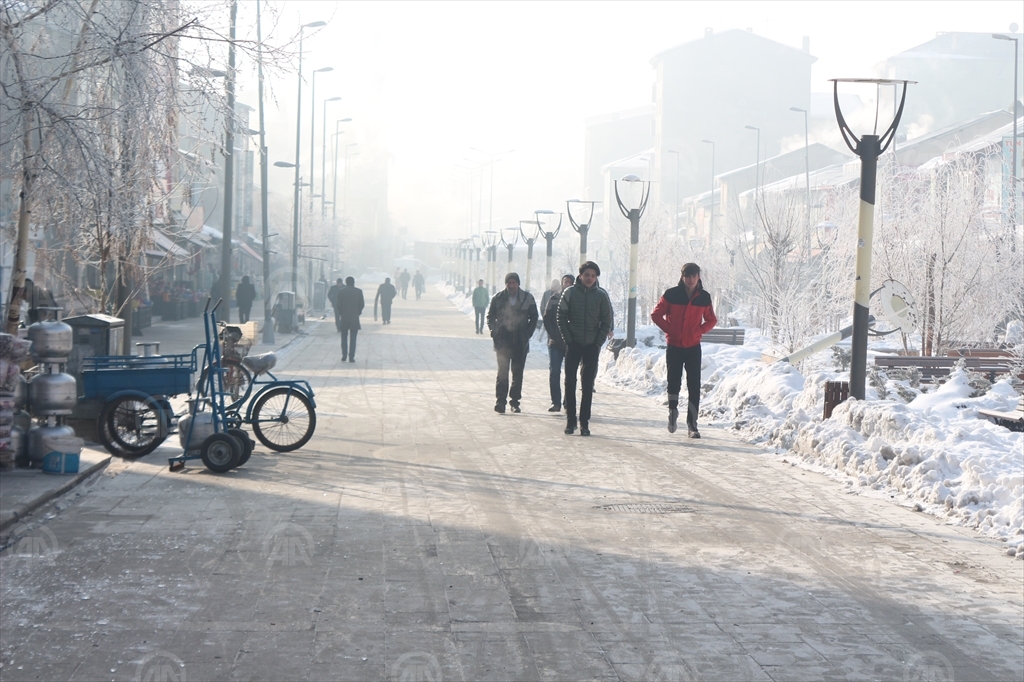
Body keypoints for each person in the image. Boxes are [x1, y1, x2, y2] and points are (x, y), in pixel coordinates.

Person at [651, 262, 717, 438]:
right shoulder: (671, 295)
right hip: (674, 346)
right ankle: (673, 411)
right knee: (674, 382)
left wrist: (699, 330)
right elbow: (656, 314)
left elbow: (711, 320)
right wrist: (670, 329)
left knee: (694, 385)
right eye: (687, 276)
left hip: (693, 347)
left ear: (699, 277)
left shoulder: (703, 297)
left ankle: (692, 425)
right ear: (682, 277)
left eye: (694, 276)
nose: (691, 279)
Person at [557, 261, 612, 436]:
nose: (589, 278)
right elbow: (561, 316)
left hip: (591, 345)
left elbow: (606, 320)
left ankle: (584, 422)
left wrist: (598, 342)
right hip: (573, 344)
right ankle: (570, 420)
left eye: (593, 276)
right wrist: (568, 338)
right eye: (586, 275)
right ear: (580, 276)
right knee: (570, 382)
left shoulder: (601, 296)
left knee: (588, 385)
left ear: (596, 278)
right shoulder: (570, 293)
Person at [486, 272, 538, 414]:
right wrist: (494, 332)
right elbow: (490, 317)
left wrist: (527, 334)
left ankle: (515, 402)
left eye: (514, 282)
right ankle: (500, 401)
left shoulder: (527, 298)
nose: (511, 285)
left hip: (520, 342)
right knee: (502, 373)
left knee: (517, 373)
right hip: (502, 342)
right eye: (509, 283)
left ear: (518, 284)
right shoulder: (498, 298)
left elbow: (534, 317)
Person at [543, 275, 575, 412]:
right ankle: (555, 402)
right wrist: (555, 336)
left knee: (570, 374)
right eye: (565, 282)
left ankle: (568, 402)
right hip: (555, 342)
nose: (567, 284)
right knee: (554, 371)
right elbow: (547, 319)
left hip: (571, 343)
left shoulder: (576, 299)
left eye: (570, 282)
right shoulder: (554, 299)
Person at [336, 276, 364, 363]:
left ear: (346, 282)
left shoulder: (341, 292)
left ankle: (344, 355)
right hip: (354, 318)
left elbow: (338, 304)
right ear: (353, 282)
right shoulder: (359, 292)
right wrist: (358, 312)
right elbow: (362, 304)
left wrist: (341, 312)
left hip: (344, 317)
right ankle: (351, 357)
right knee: (353, 338)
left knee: (344, 337)